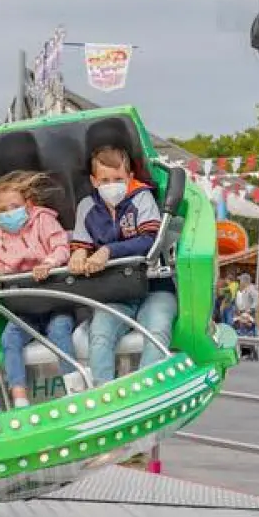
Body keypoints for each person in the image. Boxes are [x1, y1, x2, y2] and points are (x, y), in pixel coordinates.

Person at [68, 145, 179, 385]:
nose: (111, 185)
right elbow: (81, 244)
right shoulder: (87, 207)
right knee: (99, 333)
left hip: (154, 286)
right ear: (94, 181)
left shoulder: (141, 198)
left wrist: (108, 251)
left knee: (157, 329)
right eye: (105, 180)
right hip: (115, 291)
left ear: (129, 177)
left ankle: (147, 388)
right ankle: (103, 392)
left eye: (117, 179)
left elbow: (149, 240)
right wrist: (78, 253)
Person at [0, 170, 78, 406]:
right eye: (3, 210)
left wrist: (48, 263)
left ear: (28, 204)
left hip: (53, 297)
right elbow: (0, 265)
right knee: (10, 338)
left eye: (14, 206)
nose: (9, 213)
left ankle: (74, 387)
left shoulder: (44, 221)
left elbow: (61, 247)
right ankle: (18, 396)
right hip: (25, 305)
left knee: (59, 329)